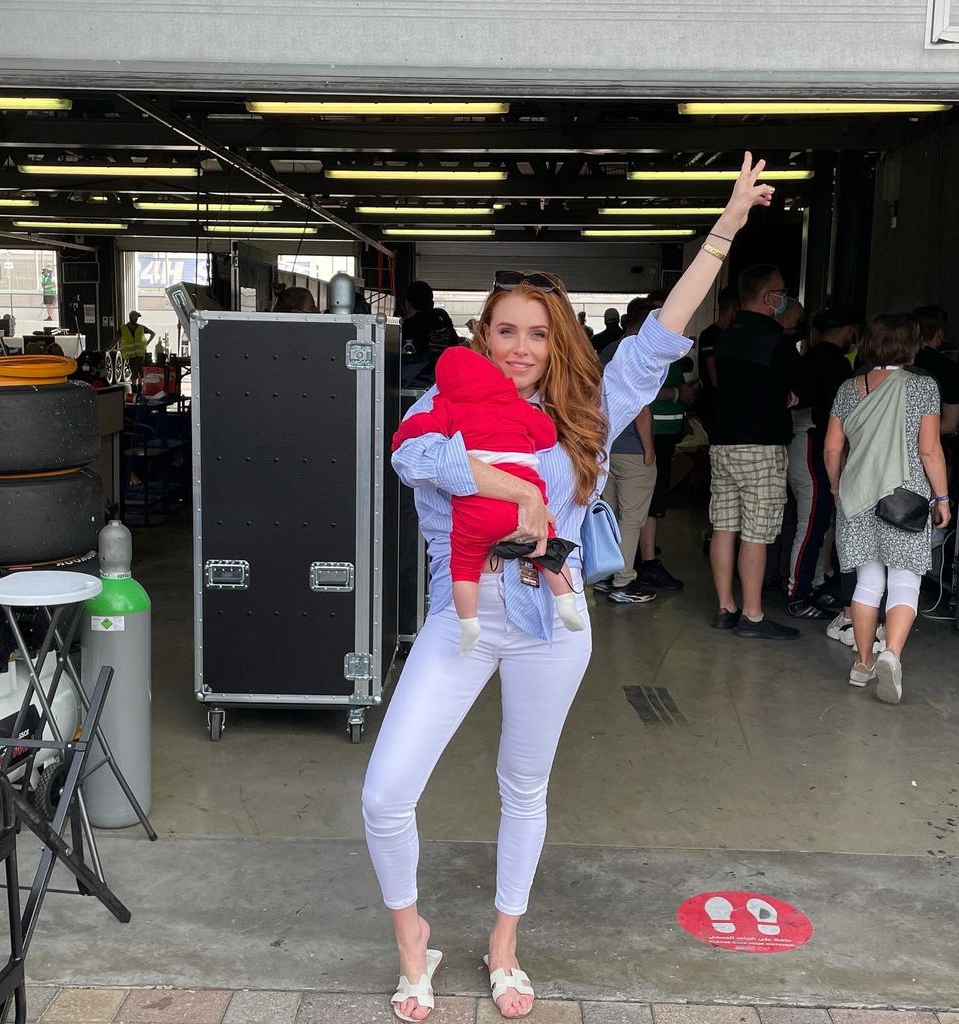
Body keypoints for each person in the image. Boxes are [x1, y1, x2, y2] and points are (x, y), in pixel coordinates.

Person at [363, 154, 774, 1022]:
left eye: (538, 334)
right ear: (483, 338)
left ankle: (504, 942)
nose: (520, 348)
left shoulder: (589, 412)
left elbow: (661, 334)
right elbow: (410, 459)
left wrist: (724, 230)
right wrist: (499, 483)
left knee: (525, 787)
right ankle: (412, 937)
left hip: (552, 625)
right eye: (505, 331)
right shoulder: (441, 406)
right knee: (385, 792)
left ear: (558, 343)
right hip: (461, 616)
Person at [392, 345, 584, 653]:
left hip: (476, 513)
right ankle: (565, 602)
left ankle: (469, 624)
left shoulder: (446, 406)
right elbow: (546, 435)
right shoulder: (513, 404)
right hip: (524, 512)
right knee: (548, 550)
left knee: (463, 566)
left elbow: (417, 432)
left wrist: (403, 434)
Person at [824, 313, 950, 704]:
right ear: (911, 345)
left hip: (857, 496)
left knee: (867, 582)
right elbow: (930, 449)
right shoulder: (923, 387)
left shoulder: (849, 388)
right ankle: (891, 654)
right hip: (905, 497)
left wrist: (836, 487)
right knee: (905, 580)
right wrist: (942, 498)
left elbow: (832, 447)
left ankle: (862, 663)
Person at [708, 264, 802, 640]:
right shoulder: (776, 340)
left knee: (724, 526)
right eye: (781, 292)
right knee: (756, 532)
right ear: (768, 297)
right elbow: (798, 383)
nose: (785, 299)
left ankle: (725, 607)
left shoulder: (724, 337)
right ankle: (752, 615)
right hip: (762, 446)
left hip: (722, 444)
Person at [786, 308, 858, 618]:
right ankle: (798, 595)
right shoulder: (836, 363)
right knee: (812, 522)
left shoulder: (809, 358)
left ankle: (811, 585)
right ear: (847, 329)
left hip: (805, 439)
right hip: (812, 441)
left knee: (814, 521)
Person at [596, 297, 658, 603]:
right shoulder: (638, 353)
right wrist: (649, 448)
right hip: (633, 449)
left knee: (608, 514)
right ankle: (623, 582)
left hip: (606, 448)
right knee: (632, 519)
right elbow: (641, 408)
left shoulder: (609, 350)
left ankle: (604, 576)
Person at [635, 353, 694, 591]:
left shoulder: (671, 357)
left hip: (664, 436)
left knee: (655, 498)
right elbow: (642, 392)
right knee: (651, 499)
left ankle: (642, 553)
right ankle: (647, 562)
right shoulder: (649, 354)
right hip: (652, 436)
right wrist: (677, 394)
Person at [913, 305, 959, 435]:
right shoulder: (949, 368)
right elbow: (949, 425)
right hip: (930, 441)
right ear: (939, 333)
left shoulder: (898, 362)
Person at [695, 286, 740, 434]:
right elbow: (713, 373)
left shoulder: (732, 335)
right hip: (714, 401)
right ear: (734, 308)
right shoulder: (710, 335)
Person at [402, 280, 460, 377]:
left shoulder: (407, 327)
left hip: (421, 380)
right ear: (432, 303)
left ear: (407, 304)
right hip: (450, 375)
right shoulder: (443, 318)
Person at [119, 311, 155, 393]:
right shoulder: (123, 328)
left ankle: (139, 391)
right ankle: (135, 391)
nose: (136, 319)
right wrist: (110, 349)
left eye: (137, 318)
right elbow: (116, 339)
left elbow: (153, 333)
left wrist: (147, 342)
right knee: (134, 373)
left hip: (140, 354)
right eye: (135, 317)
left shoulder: (141, 327)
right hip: (131, 355)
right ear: (130, 317)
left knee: (140, 373)